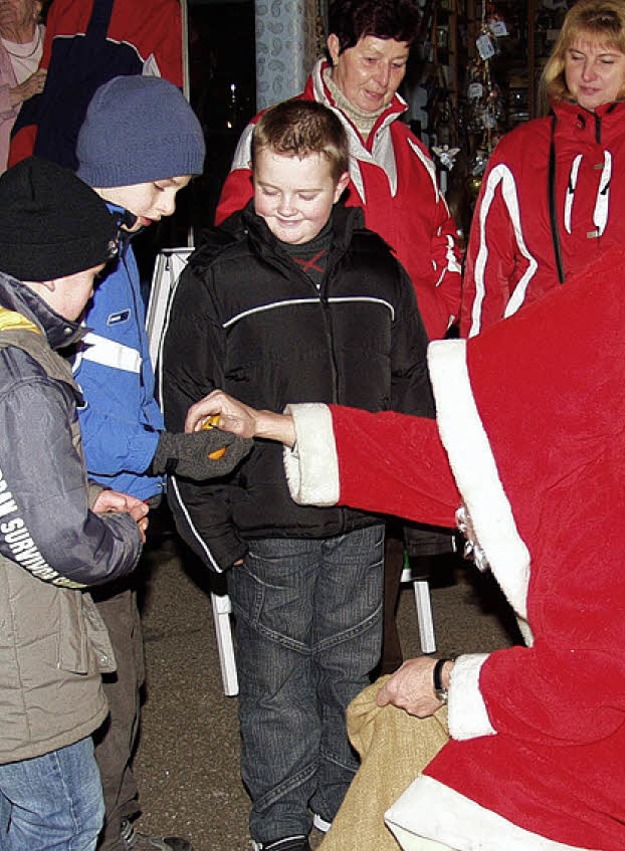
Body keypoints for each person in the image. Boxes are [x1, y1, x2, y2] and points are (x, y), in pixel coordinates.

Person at [183, 247, 625, 851]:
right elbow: (433, 461)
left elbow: (590, 683)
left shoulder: (601, 516)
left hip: (606, 688)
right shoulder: (561, 448)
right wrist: (268, 423)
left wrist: (448, 676)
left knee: (507, 764)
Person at [160, 98, 436, 851]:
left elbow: (411, 395)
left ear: (341, 183)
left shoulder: (380, 271)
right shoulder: (217, 276)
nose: (284, 208)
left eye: (304, 193)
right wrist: (213, 539)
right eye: (269, 189)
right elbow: (185, 403)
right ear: (252, 179)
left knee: (347, 665)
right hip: (264, 522)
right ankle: (278, 816)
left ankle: (335, 793)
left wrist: (421, 520)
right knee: (277, 682)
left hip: (360, 514)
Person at [217, 0, 462, 676]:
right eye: (370, 60)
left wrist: (428, 318)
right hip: (303, 377)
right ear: (331, 48)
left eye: (399, 64)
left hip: (395, 374)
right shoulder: (276, 136)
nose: (385, 79)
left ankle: (370, 675)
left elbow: (446, 253)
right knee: (308, 547)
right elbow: (237, 250)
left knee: (379, 531)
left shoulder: (410, 151)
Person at [71, 74, 252, 851]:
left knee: (127, 680)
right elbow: (78, 419)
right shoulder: (78, 255)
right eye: (163, 185)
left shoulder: (116, 242)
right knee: (95, 695)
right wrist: (168, 452)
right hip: (86, 512)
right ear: (116, 166)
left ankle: (117, 819)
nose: (171, 204)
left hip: (120, 514)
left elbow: (126, 385)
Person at [0, 155, 149, 851]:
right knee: (62, 809)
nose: (92, 296)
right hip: (20, 647)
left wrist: (78, 484)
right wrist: (117, 534)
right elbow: (54, 541)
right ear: (52, 273)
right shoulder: (22, 378)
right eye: (90, 278)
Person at [460, 0, 625, 340]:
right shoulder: (519, 151)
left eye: (606, 61)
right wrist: (478, 361)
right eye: (576, 57)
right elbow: (488, 270)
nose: (588, 75)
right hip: (535, 352)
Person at [8, 0, 183, 169]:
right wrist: (23, 167)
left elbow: (167, 109)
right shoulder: (63, 6)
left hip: (114, 168)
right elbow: (43, 90)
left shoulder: (162, 10)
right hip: (56, 169)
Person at [0, 0, 45, 171]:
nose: (3, 3)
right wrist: (17, 94)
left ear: (36, 6)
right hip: (8, 179)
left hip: (60, 172)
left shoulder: (59, 45)